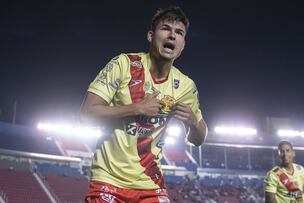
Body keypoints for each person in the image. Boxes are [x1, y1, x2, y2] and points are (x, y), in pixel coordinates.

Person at [80, 6, 208, 203]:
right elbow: (87, 114)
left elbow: (198, 139)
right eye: (166, 29)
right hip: (109, 179)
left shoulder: (185, 86)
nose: (172, 36)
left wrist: (193, 121)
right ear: (150, 36)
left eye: (179, 33)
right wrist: (137, 108)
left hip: (151, 184)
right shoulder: (123, 64)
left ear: (183, 44)